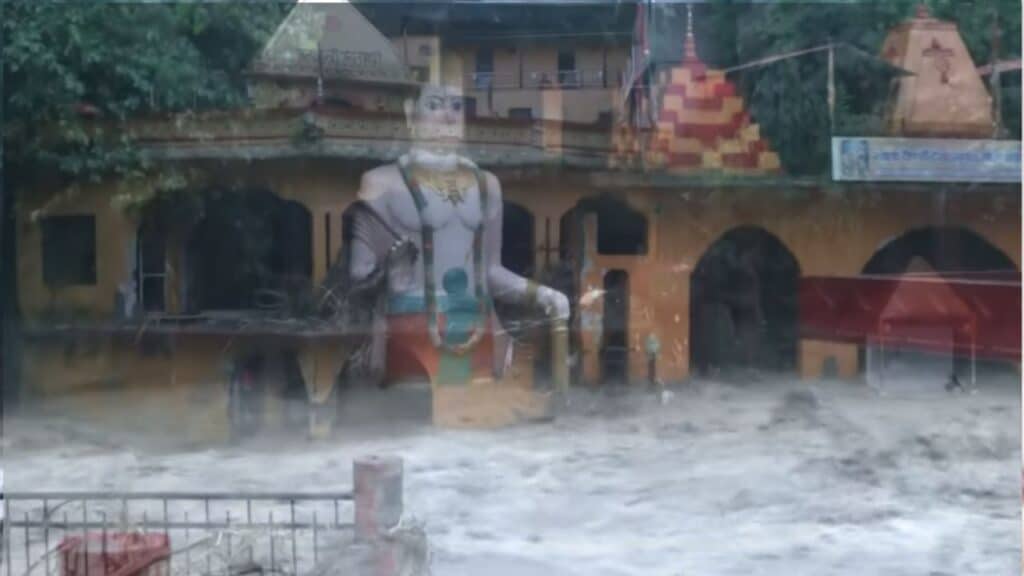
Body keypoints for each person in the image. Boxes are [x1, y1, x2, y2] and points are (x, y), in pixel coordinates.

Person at [345, 82, 569, 388]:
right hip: (412, 332)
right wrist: (387, 273)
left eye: (457, 107)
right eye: (434, 105)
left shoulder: (487, 185)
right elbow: (357, 279)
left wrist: (542, 294)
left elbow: (491, 272)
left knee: (474, 410)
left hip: (477, 326)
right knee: (418, 410)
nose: (448, 117)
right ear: (410, 114)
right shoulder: (380, 183)